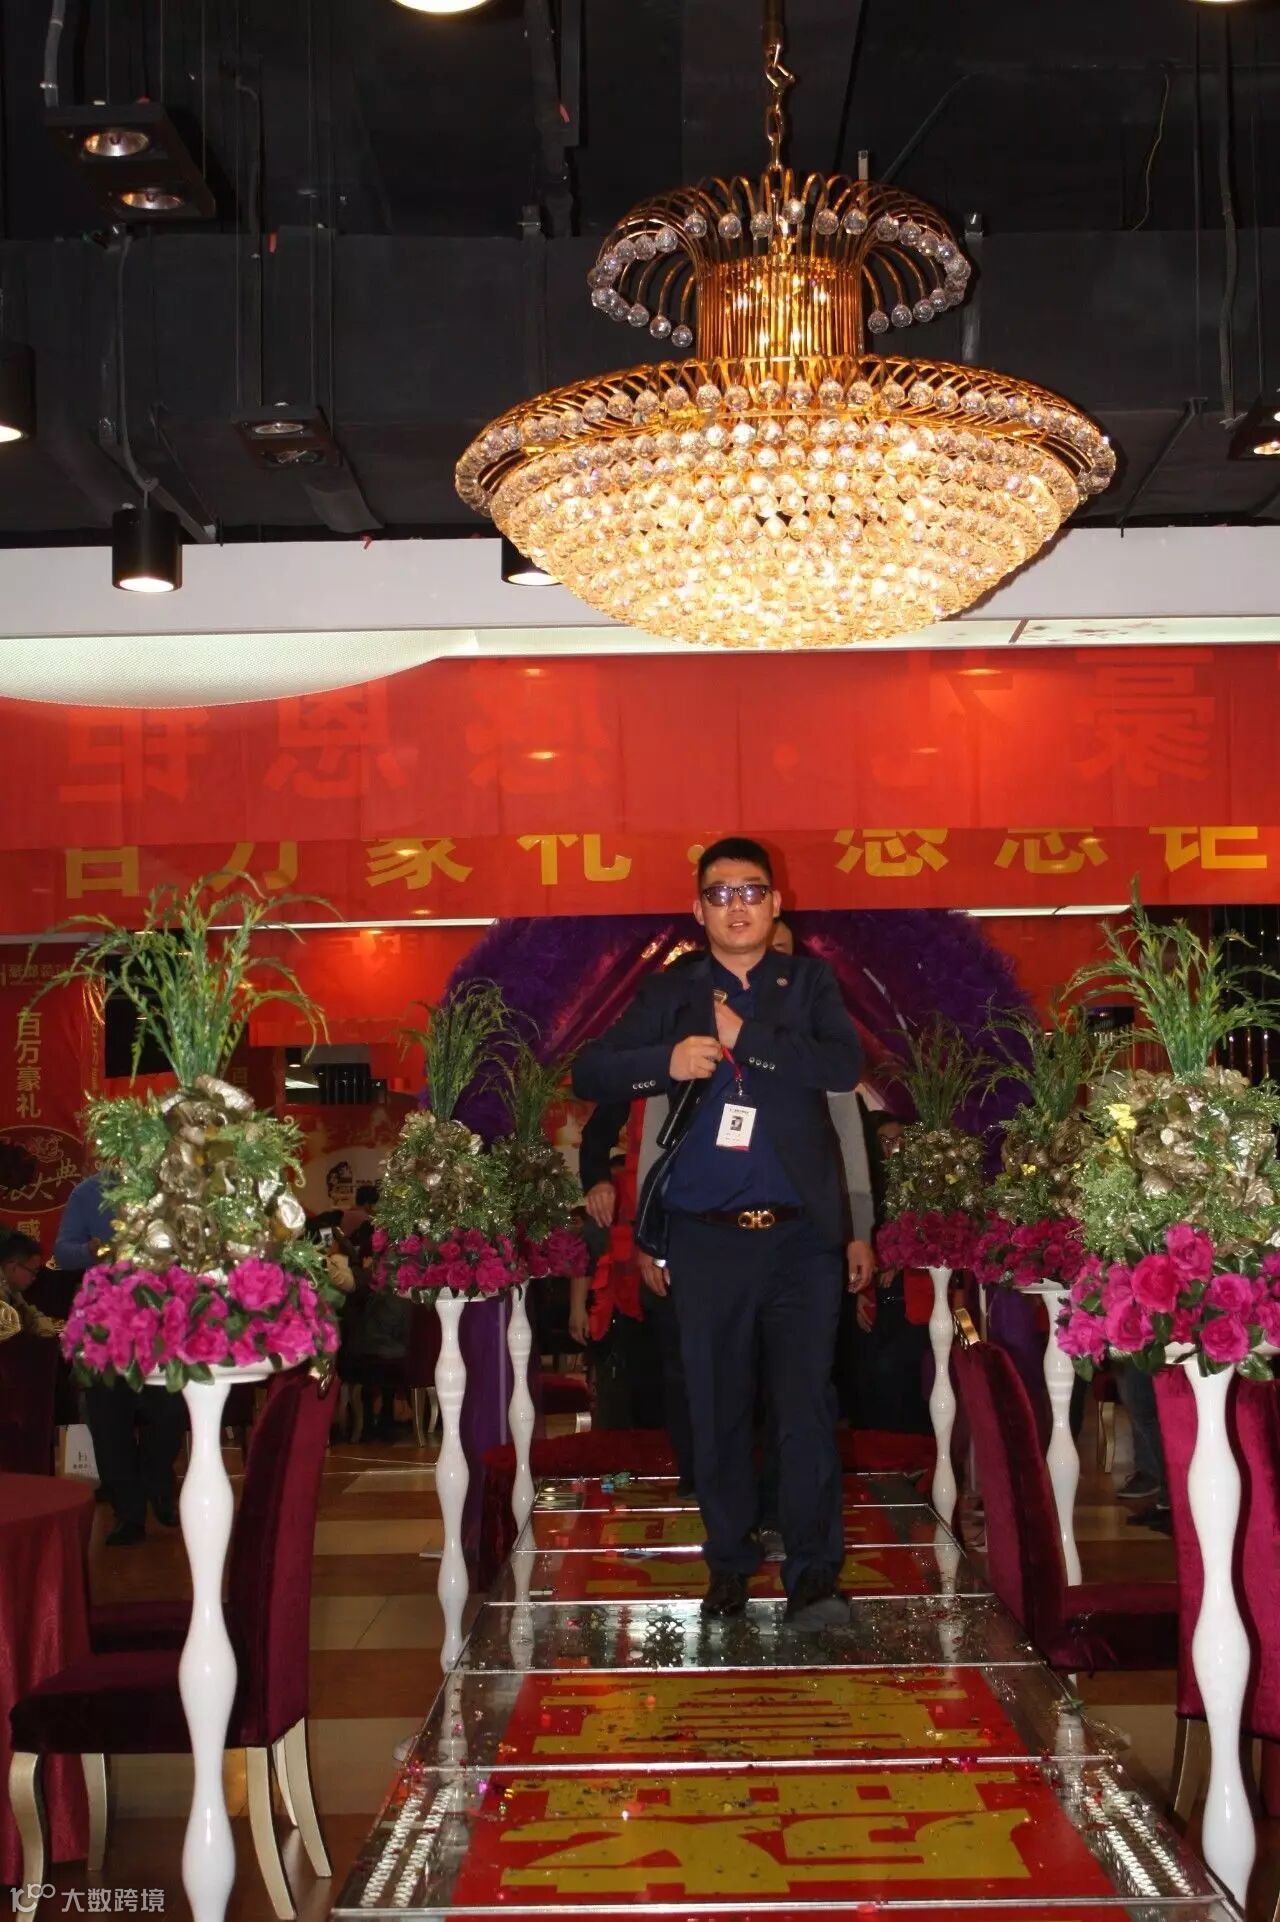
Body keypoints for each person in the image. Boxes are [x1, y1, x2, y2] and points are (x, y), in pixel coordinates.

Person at [573, 837, 863, 1627]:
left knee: (805, 1409)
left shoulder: (808, 983)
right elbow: (589, 1071)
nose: (737, 906)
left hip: (801, 1240)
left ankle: (814, 1577)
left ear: (776, 904)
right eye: (720, 893)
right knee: (717, 1406)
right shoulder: (672, 990)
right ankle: (729, 1564)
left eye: (752, 891)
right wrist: (665, 1062)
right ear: (698, 909)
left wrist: (748, 1040)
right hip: (706, 1239)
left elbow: (841, 1067)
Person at [54, 1170, 186, 1546]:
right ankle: (128, 1513)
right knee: (109, 1422)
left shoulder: (170, 1186)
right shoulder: (88, 1192)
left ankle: (158, 1485)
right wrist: (93, 1250)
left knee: (170, 1414)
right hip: (105, 1325)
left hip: (160, 1322)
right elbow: (62, 1252)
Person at [0, 1231, 61, 1341]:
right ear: (13, 1267)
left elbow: (32, 1316)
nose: (34, 1278)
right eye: (32, 1272)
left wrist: (45, 1333)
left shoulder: (13, 1291)